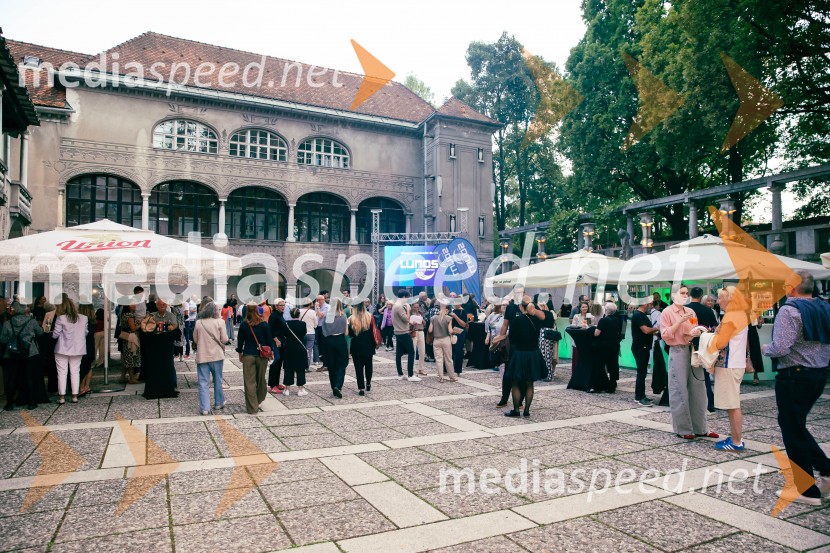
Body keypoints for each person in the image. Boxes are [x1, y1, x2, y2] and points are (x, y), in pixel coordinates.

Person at [763, 270, 830, 505]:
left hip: (794, 375)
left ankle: (806, 490)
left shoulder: (790, 310)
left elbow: (781, 347)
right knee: (796, 425)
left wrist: (764, 348)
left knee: (792, 429)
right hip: (819, 374)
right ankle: (826, 469)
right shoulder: (824, 307)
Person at [660, 284, 717, 440]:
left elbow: (692, 329)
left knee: (698, 389)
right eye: (682, 293)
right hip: (677, 350)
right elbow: (665, 334)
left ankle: (701, 427)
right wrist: (679, 322)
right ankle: (683, 429)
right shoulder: (667, 312)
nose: (685, 296)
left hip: (692, 349)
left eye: (686, 293)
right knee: (679, 389)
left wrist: (697, 331)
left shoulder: (691, 311)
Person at [708, 286, 750, 451]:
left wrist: (708, 337)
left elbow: (720, 343)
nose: (718, 301)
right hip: (735, 363)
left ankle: (736, 441)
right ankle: (735, 437)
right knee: (732, 404)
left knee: (733, 405)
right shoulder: (740, 315)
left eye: (720, 298)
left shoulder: (731, 316)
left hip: (729, 364)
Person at [504, 295, 555, 418]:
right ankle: (526, 410)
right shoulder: (536, 320)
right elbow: (548, 318)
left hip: (519, 353)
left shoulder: (517, 320)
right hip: (533, 353)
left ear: (521, 306)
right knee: (529, 383)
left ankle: (516, 410)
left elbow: (512, 338)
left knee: (515, 382)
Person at [0, 300, 44, 410]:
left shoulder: (7, 323)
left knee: (12, 377)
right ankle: (31, 402)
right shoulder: (31, 321)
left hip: (12, 354)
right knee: (29, 377)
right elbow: (40, 332)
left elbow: (3, 339)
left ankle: (9, 403)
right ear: (25, 310)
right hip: (29, 353)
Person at [236, 302, 276, 414]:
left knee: (249, 382)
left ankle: (252, 407)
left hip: (248, 354)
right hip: (261, 355)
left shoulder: (244, 324)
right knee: (261, 380)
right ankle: (258, 400)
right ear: (258, 310)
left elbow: (240, 342)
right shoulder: (264, 324)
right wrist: (271, 352)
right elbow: (269, 340)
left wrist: (240, 353)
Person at [191, 301, 228, 415]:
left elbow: (195, 340)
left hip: (203, 355)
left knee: (203, 382)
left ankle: (205, 408)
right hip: (217, 355)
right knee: (218, 380)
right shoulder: (220, 322)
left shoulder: (199, 323)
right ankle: (218, 403)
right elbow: (225, 339)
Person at [52, 295, 89, 405]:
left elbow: (55, 335)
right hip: (78, 348)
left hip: (62, 349)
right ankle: (74, 396)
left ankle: (62, 397)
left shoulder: (61, 318)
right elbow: (86, 332)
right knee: (75, 372)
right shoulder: (84, 318)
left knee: (62, 372)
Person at [688, 287, 719, 412]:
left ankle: (692, 403)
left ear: (690, 295)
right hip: (703, 345)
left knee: (688, 374)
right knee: (704, 375)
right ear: (701, 296)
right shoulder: (708, 310)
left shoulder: (686, 310)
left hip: (688, 344)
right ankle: (709, 403)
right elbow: (715, 327)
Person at [631, 300, 659, 406]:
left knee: (642, 372)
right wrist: (657, 328)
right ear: (645, 304)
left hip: (644, 346)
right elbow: (646, 330)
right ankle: (640, 397)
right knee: (641, 372)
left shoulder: (642, 315)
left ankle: (640, 395)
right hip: (640, 347)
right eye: (650, 304)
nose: (651, 306)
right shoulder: (638, 316)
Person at [322, 298, 349, 398]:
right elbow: (346, 332)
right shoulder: (343, 316)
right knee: (342, 364)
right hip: (340, 340)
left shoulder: (326, 316)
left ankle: (333, 386)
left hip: (329, 340)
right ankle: (338, 385)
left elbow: (323, 330)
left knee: (331, 365)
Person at [592, 302, 621, 393]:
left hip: (604, 346)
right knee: (613, 366)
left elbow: (597, 333)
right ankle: (612, 386)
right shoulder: (618, 320)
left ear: (606, 310)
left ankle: (598, 386)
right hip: (615, 345)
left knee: (600, 366)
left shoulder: (603, 320)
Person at [348, 300, 376, 395]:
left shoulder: (351, 318)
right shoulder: (370, 316)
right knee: (369, 366)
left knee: (358, 368)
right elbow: (374, 332)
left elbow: (350, 334)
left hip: (356, 346)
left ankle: (361, 388)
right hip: (369, 345)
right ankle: (368, 383)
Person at [281, 308, 309, 396]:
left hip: (289, 347)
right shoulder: (303, 324)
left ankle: (287, 389)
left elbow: (284, 334)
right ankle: (301, 389)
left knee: (289, 368)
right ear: (299, 314)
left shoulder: (286, 324)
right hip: (300, 347)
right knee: (300, 368)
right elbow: (304, 333)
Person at [429, 301, 457, 383]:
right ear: (447, 310)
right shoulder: (448, 318)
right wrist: (455, 332)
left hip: (436, 340)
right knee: (448, 359)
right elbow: (450, 330)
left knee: (438, 359)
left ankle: (440, 377)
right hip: (446, 339)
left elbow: (430, 330)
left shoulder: (433, 318)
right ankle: (452, 377)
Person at [267, 299, 287, 393]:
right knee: (275, 362)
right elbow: (270, 330)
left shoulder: (280, 315)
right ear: (276, 306)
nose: (283, 307)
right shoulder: (273, 316)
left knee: (279, 363)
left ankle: (276, 383)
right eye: (281, 305)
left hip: (281, 341)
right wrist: (275, 339)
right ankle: (272, 385)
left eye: (283, 305)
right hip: (276, 342)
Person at [78, 302, 96, 397]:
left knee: (82, 366)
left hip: (82, 345)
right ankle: (86, 386)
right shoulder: (93, 320)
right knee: (89, 367)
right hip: (90, 345)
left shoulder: (81, 321)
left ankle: (81, 387)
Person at [119, 304, 141, 384]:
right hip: (131, 338)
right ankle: (132, 378)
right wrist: (140, 324)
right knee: (130, 358)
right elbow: (133, 328)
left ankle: (122, 377)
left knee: (127, 358)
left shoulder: (124, 314)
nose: (134, 305)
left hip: (126, 337)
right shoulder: (129, 315)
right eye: (132, 304)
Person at [537, 301, 559, 381]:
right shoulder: (550, 313)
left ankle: (547, 375)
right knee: (548, 355)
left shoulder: (542, 314)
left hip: (544, 335)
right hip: (549, 335)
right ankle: (548, 374)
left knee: (545, 355)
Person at [484, 302, 506, 369]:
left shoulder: (505, 316)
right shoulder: (492, 315)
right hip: (493, 335)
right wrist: (487, 337)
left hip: (502, 336)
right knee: (494, 349)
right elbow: (488, 327)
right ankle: (495, 363)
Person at [449, 301, 468, 377]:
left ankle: (458, 369)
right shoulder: (453, 311)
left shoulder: (463, 312)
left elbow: (463, 324)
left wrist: (455, 317)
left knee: (459, 351)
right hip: (453, 332)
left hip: (460, 332)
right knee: (451, 350)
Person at [298, 301, 317, 370]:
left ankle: (300, 364)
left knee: (301, 349)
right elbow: (316, 323)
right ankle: (307, 366)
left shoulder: (299, 311)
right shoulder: (312, 312)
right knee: (309, 350)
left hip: (301, 333)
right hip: (311, 332)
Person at [410, 302, 427, 376]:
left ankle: (421, 368)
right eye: (415, 307)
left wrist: (422, 320)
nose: (416, 309)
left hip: (421, 331)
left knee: (422, 351)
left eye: (417, 307)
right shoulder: (410, 314)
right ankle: (412, 369)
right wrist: (412, 323)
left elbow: (425, 323)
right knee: (413, 351)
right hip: (414, 331)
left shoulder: (420, 313)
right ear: (412, 307)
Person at [314, 294, 330, 369]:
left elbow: (320, 316)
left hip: (324, 328)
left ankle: (326, 364)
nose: (317, 302)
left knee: (324, 346)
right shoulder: (318, 307)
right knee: (320, 345)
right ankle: (324, 362)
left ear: (322, 300)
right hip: (318, 327)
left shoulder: (327, 307)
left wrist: (317, 308)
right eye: (317, 300)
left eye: (319, 300)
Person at [171, 296, 186, 362]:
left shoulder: (175, 308)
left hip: (178, 326)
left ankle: (178, 355)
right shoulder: (179, 308)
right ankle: (180, 355)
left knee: (177, 340)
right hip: (179, 326)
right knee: (179, 340)